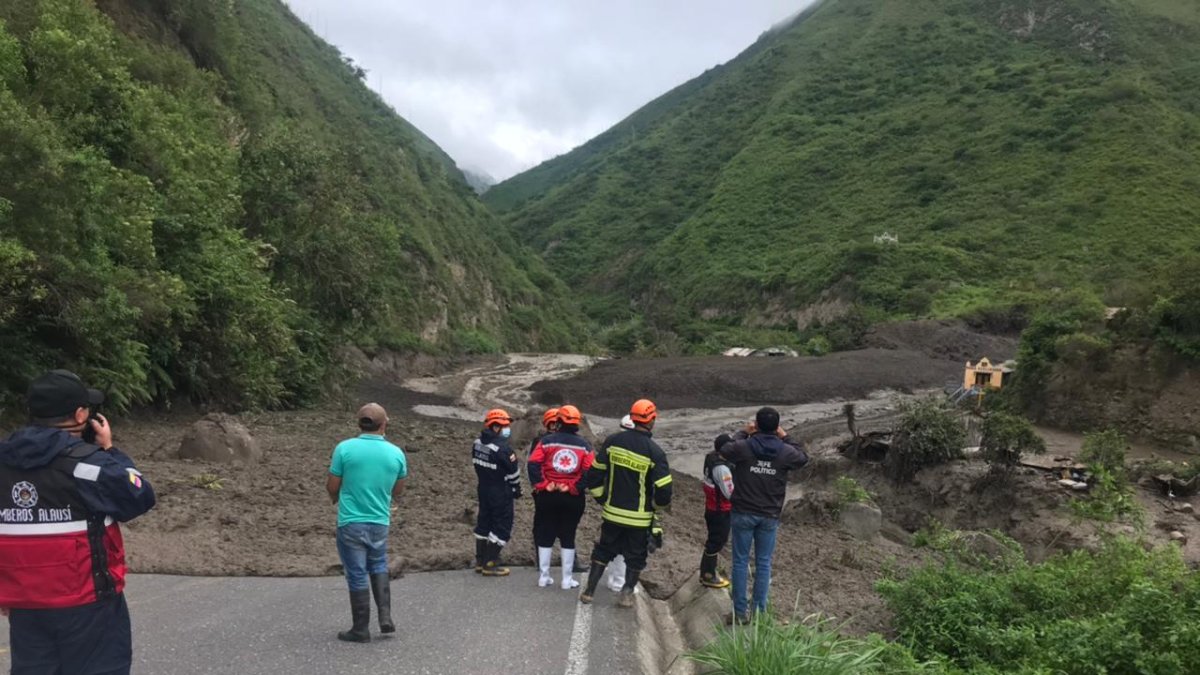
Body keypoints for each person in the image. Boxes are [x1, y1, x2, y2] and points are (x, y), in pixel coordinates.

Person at [0, 369, 157, 674]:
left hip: (25, 605)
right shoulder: (88, 465)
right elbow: (139, 495)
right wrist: (110, 451)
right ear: (81, 414)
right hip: (88, 605)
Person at [326, 402, 408, 643]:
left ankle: (360, 628)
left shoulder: (344, 449)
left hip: (351, 521)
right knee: (379, 564)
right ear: (384, 424)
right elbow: (398, 490)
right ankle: (385, 616)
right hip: (379, 521)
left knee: (357, 573)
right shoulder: (396, 453)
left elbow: (332, 485)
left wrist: (335, 498)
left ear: (358, 423)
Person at [717, 407, 808, 623]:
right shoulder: (785, 451)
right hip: (769, 515)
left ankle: (739, 613)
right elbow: (803, 457)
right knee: (764, 562)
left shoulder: (744, 446)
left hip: (743, 512)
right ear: (777, 427)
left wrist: (743, 432)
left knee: (740, 561)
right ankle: (759, 614)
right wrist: (786, 437)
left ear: (755, 425)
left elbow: (724, 448)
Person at [581, 399, 672, 608]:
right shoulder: (655, 452)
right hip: (639, 520)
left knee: (603, 550)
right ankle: (626, 594)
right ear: (652, 421)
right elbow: (664, 491)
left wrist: (603, 499)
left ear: (631, 417)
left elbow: (594, 475)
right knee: (636, 558)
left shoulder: (613, 442)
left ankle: (589, 592)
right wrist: (655, 509)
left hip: (612, 514)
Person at [528, 405, 593, 589]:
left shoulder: (547, 441)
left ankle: (544, 576)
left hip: (548, 496)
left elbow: (533, 463)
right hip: (572, 498)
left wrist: (543, 484)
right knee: (568, 535)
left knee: (545, 534)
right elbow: (590, 470)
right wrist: (574, 487)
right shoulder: (585, 445)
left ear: (559, 420)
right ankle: (566, 579)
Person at [473, 408, 520, 577]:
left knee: (484, 522)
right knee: (502, 526)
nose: (507, 429)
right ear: (495, 427)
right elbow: (513, 473)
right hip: (500, 491)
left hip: (483, 488)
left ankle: (480, 560)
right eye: (504, 426)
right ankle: (490, 563)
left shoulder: (477, 443)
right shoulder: (504, 450)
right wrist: (516, 489)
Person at [602, 414, 635, 593]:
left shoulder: (611, 443)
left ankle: (612, 578)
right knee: (627, 546)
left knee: (612, 543)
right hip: (631, 506)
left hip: (611, 502)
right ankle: (620, 582)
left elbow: (599, 471)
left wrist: (601, 497)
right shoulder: (641, 447)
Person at [700, 433, 735, 589]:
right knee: (716, 542)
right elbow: (730, 493)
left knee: (713, 541)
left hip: (712, 508)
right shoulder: (722, 468)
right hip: (720, 511)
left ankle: (707, 572)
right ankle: (708, 575)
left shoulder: (711, 459)